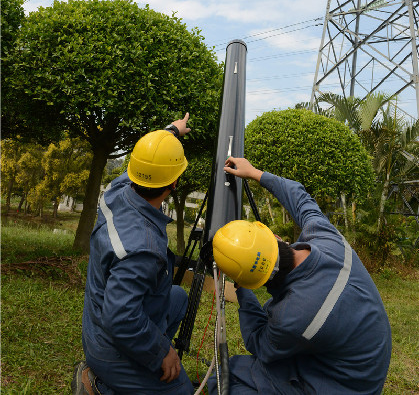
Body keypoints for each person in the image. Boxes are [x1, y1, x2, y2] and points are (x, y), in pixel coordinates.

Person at [208, 156, 391, 395]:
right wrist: (254, 172)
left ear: (257, 282)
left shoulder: (291, 316)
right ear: (274, 237)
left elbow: (259, 345)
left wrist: (242, 289)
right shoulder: (326, 238)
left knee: (226, 377)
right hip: (362, 361)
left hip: (346, 385)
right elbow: (299, 195)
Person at [72, 114, 195, 395]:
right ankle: (100, 385)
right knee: (182, 391)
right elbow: (121, 318)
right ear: (174, 183)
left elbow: (147, 165)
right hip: (108, 345)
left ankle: (139, 367)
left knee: (177, 297)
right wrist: (162, 350)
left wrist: (171, 132)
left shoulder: (117, 190)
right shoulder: (143, 246)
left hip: (98, 318)